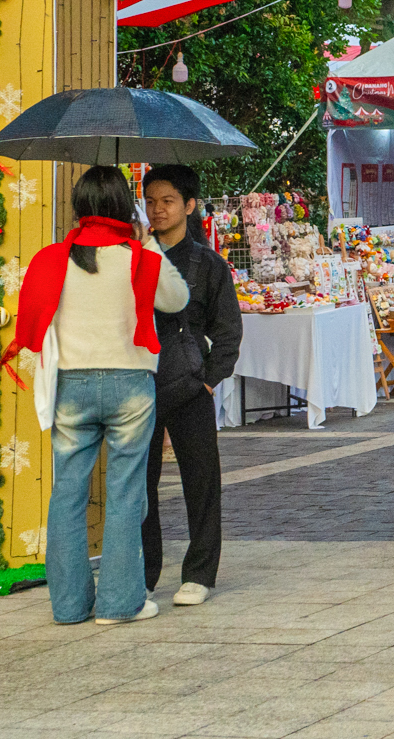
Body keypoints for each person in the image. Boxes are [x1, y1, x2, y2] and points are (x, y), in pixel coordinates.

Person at [11, 165, 187, 624]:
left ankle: (68, 606)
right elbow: (177, 299)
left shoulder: (52, 259)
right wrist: (147, 241)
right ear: (123, 208)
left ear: (79, 208)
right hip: (131, 385)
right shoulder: (137, 256)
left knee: (67, 493)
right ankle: (117, 604)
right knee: (127, 494)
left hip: (72, 386)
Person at [139, 165, 241, 608]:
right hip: (138, 382)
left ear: (189, 206)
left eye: (167, 201)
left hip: (189, 383)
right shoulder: (134, 257)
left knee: (201, 479)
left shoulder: (209, 264)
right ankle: (142, 573)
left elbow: (228, 331)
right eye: (151, 201)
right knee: (138, 484)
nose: (158, 210)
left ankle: (199, 572)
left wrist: (210, 380)